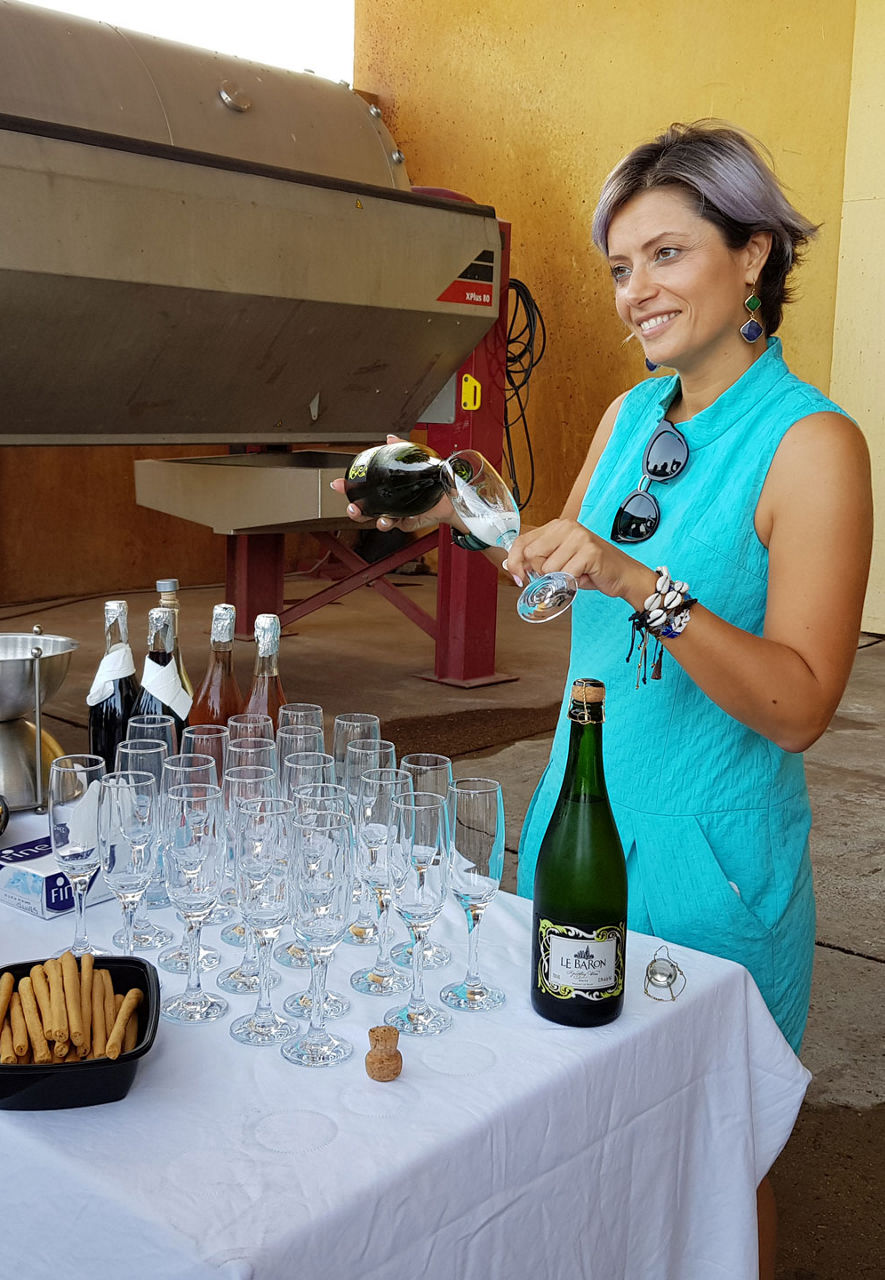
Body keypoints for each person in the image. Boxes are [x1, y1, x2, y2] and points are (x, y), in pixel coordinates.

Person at [335, 120, 872, 1277]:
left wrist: (640, 583)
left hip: (709, 864)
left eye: (665, 256)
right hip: (574, 832)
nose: (634, 293)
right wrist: (455, 514)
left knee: (717, 1157)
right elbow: (549, 581)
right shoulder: (633, 419)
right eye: (620, 268)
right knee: (577, 1126)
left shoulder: (813, 443)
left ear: (755, 255)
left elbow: (798, 703)